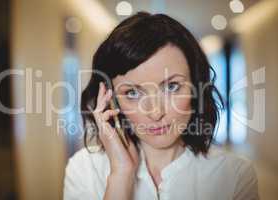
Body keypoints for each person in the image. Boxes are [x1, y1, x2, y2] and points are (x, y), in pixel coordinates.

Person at [63, 11, 259, 200]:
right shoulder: (84, 169)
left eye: (172, 87)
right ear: (111, 100)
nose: (156, 113)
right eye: (132, 93)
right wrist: (121, 174)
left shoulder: (234, 175)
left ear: (196, 87)